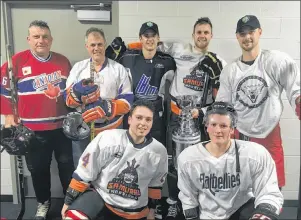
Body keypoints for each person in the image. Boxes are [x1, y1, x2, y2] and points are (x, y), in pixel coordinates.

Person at [0, 20, 75, 219]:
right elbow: (4, 91)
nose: (41, 40)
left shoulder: (63, 61)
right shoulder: (15, 62)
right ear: (29, 39)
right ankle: (43, 202)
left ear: (51, 40)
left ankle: (70, 205)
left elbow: (71, 93)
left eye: (44, 37)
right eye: (36, 37)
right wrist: (8, 115)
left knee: (67, 166)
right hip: (32, 130)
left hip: (62, 128)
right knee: (38, 170)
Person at [216, 15, 301, 189]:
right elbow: (223, 107)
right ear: (237, 36)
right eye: (242, 33)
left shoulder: (275, 61)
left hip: (269, 133)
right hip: (241, 136)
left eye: (251, 32)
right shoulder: (230, 70)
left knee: (272, 187)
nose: (247, 37)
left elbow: (296, 90)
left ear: (259, 32)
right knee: (243, 188)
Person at [159, 17, 227, 219]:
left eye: (206, 32)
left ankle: (196, 202)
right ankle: (173, 201)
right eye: (199, 32)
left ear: (211, 36)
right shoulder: (180, 49)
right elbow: (153, 43)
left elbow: (221, 98)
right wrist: (128, 47)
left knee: (201, 161)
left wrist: (216, 78)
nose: (202, 36)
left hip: (201, 117)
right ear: (193, 34)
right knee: (174, 161)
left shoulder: (219, 61)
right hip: (177, 115)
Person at [61, 99, 168, 220]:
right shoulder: (108, 138)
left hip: (134, 210)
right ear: (129, 119)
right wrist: (67, 203)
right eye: (139, 117)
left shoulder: (159, 151)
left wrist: (151, 211)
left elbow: (154, 187)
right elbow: (84, 174)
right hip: (102, 200)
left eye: (148, 119)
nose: (143, 123)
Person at [177, 101, 284, 220]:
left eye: (223, 126)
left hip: (242, 211)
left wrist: (263, 215)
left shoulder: (254, 154)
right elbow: (188, 196)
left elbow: (269, 192)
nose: (218, 130)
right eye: (213, 125)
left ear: (232, 129)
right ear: (206, 127)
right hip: (208, 214)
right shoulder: (189, 158)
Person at [64, 27, 134, 167]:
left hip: (111, 128)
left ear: (105, 44)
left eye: (100, 44)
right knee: (83, 169)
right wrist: (77, 95)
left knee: (111, 170)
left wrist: (107, 106)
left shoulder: (118, 69)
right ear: (87, 47)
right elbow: (67, 101)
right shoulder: (78, 68)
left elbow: (127, 101)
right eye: (92, 45)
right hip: (82, 129)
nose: (96, 48)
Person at [118, 21, 176, 146]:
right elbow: (111, 69)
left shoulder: (168, 61)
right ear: (140, 38)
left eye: (153, 36)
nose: (150, 39)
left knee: (155, 150)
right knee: (132, 148)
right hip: (135, 113)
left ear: (158, 38)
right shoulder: (127, 58)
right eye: (146, 36)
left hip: (156, 116)